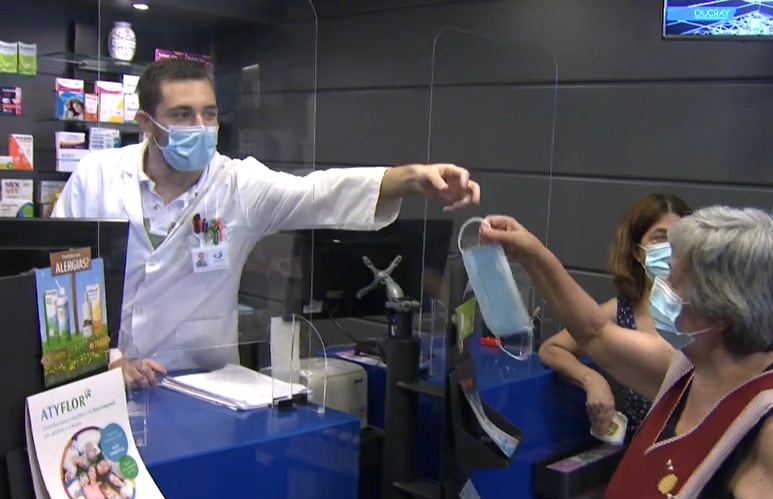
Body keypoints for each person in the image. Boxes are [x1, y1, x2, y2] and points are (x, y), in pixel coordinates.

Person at [52, 59, 480, 387]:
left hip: (202, 384)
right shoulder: (97, 176)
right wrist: (107, 361)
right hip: (99, 380)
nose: (201, 128)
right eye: (182, 115)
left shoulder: (237, 184)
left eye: (209, 114)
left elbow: (319, 192)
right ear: (147, 124)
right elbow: (56, 279)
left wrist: (411, 178)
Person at [482, 207, 773, 499]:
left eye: (674, 280)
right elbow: (595, 333)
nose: (661, 286)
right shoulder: (691, 372)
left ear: (721, 313)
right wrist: (532, 254)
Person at [539, 194, 773, 437]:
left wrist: (747, 395)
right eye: (659, 237)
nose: (670, 248)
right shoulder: (621, 312)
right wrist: (592, 379)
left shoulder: (715, 313)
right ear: (636, 251)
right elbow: (581, 336)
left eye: (679, 238)